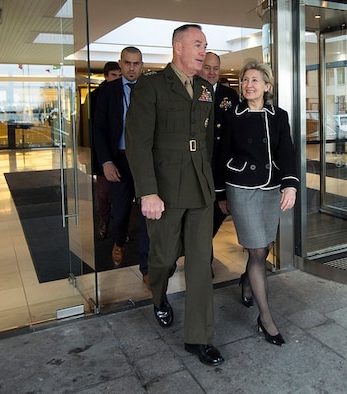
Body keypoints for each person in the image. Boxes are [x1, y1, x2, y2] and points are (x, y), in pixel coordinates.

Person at [125, 24, 224, 367]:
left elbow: (208, 142)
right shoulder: (151, 86)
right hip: (164, 190)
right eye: (198, 44)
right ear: (178, 47)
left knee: (200, 264)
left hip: (200, 187)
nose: (203, 51)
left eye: (205, 45)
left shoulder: (204, 89)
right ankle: (158, 296)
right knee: (164, 258)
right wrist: (147, 192)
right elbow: (138, 143)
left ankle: (199, 337)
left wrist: (214, 184)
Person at [215, 60, 299, 346]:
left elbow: (286, 151)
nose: (248, 85)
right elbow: (220, 154)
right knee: (257, 248)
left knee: (263, 248)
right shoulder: (232, 115)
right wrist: (220, 194)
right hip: (241, 188)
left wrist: (290, 185)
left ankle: (245, 281)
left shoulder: (278, 115)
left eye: (254, 80)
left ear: (267, 86)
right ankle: (266, 318)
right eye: (244, 81)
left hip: (271, 188)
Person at [93, 47, 150, 287]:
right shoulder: (107, 91)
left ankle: (147, 266)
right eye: (127, 63)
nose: (131, 68)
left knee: (148, 213)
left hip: (145, 160)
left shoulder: (150, 89)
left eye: (136, 63)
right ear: (120, 63)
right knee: (121, 212)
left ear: (142, 65)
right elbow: (99, 129)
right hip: (119, 160)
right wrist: (106, 162)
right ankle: (119, 242)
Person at [198, 51, 240, 240]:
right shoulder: (191, 91)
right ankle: (201, 256)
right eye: (207, 67)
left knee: (219, 212)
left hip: (223, 163)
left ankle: (203, 252)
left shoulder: (230, 95)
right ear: (200, 67)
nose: (212, 72)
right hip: (198, 163)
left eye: (216, 68)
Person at [90, 61, 122, 239]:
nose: (117, 79)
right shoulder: (96, 97)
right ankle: (104, 220)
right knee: (104, 192)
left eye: (119, 75)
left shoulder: (127, 93)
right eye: (113, 75)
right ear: (106, 76)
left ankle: (119, 227)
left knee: (120, 195)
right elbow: (94, 128)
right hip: (103, 154)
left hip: (123, 154)